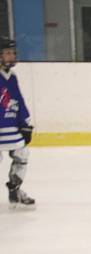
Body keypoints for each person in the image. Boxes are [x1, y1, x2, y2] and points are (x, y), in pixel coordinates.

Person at [0, 37, 34, 209]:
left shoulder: (11, 77)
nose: (11, 56)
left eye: (12, 53)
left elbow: (18, 100)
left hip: (10, 127)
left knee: (22, 153)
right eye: (7, 53)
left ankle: (15, 190)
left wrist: (26, 123)